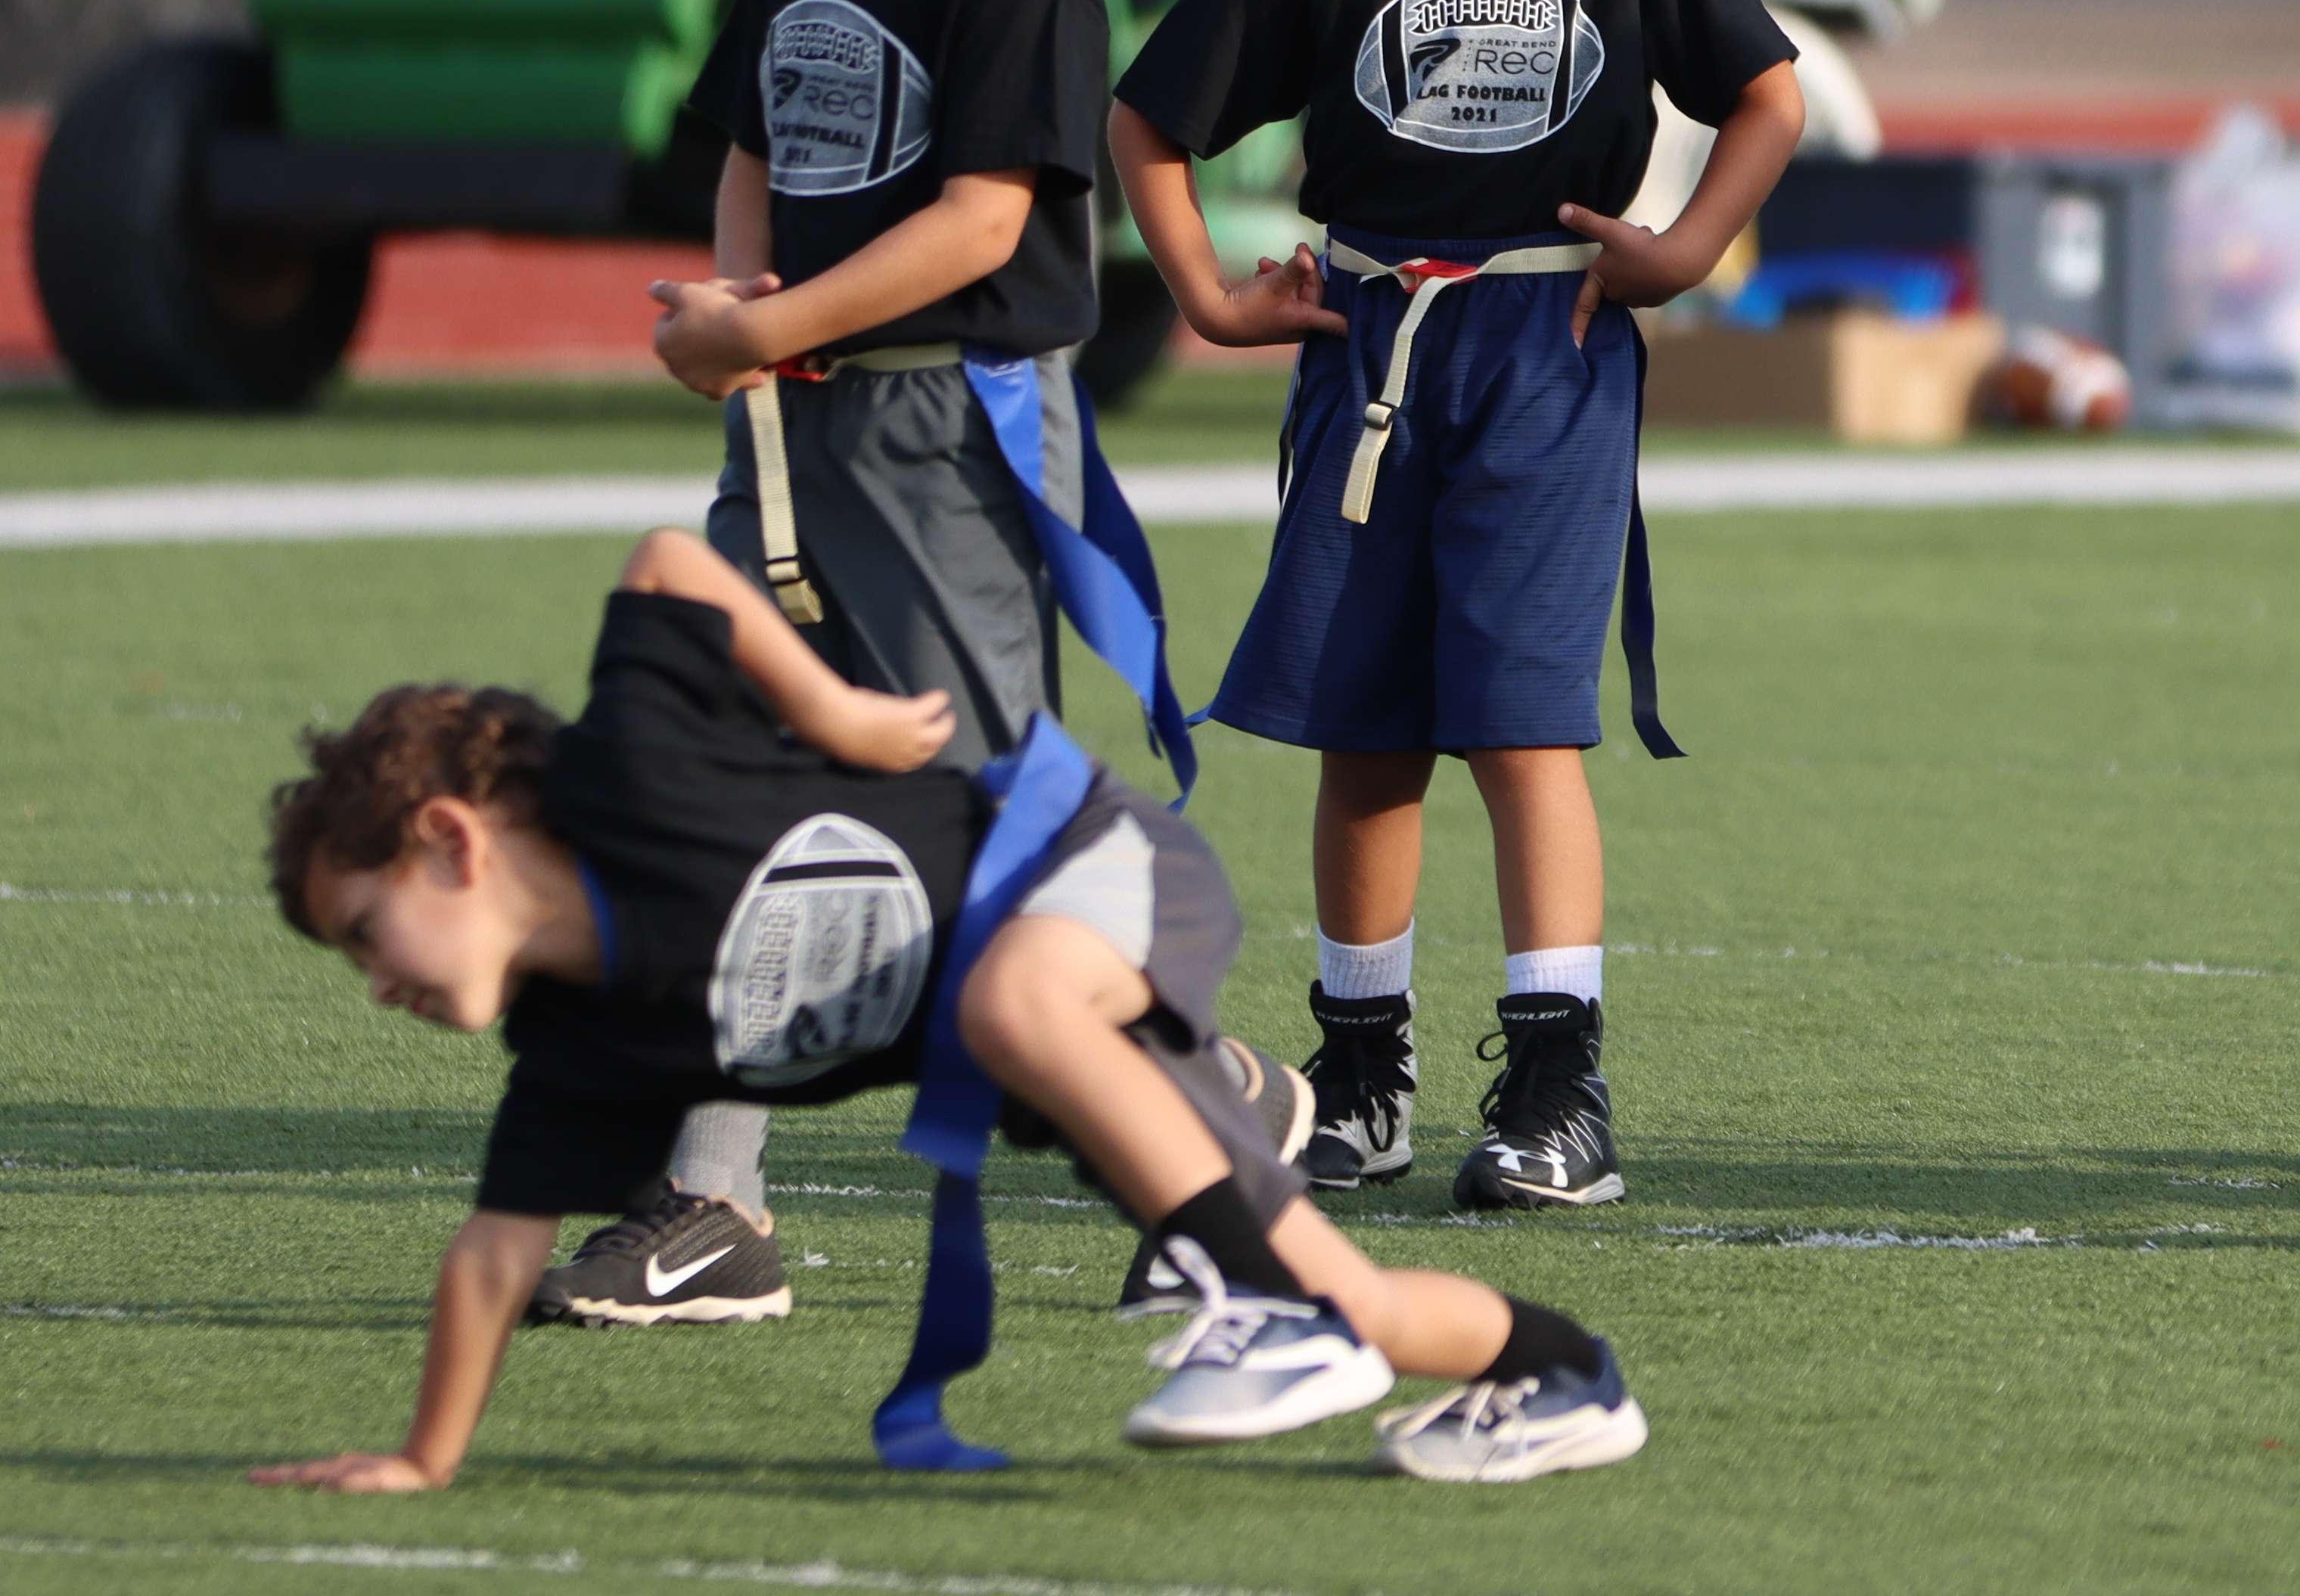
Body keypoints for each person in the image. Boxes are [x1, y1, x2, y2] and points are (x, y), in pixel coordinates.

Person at [250, 531, 1642, 1489]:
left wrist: (833, 714)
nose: (379, 982)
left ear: (448, 837)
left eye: (367, 932)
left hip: (1095, 865)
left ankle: (1272, 1311)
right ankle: (1567, 1377)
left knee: (1013, 994)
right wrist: (428, 1457)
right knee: (1363, 1300)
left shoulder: (626, 776)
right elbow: (494, 1259)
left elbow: (671, 565)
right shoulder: (577, 1045)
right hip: (1054, 1037)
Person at [1109, 0, 1807, 1213]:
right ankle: (1356, 1080)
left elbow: (1766, 93)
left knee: (1523, 728)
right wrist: (1206, 291)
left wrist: (1688, 245)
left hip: (1550, 350)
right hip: (1366, 359)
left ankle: (1559, 1087)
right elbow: (1148, 120)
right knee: (1364, 734)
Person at [570, 0, 1132, 1332]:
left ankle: (1220, 1128)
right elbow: (755, 145)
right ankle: (708, 1203)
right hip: (793, 425)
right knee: (721, 783)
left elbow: (985, 220)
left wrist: (777, 326)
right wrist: (742, 325)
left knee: (963, 829)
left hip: (944, 437)